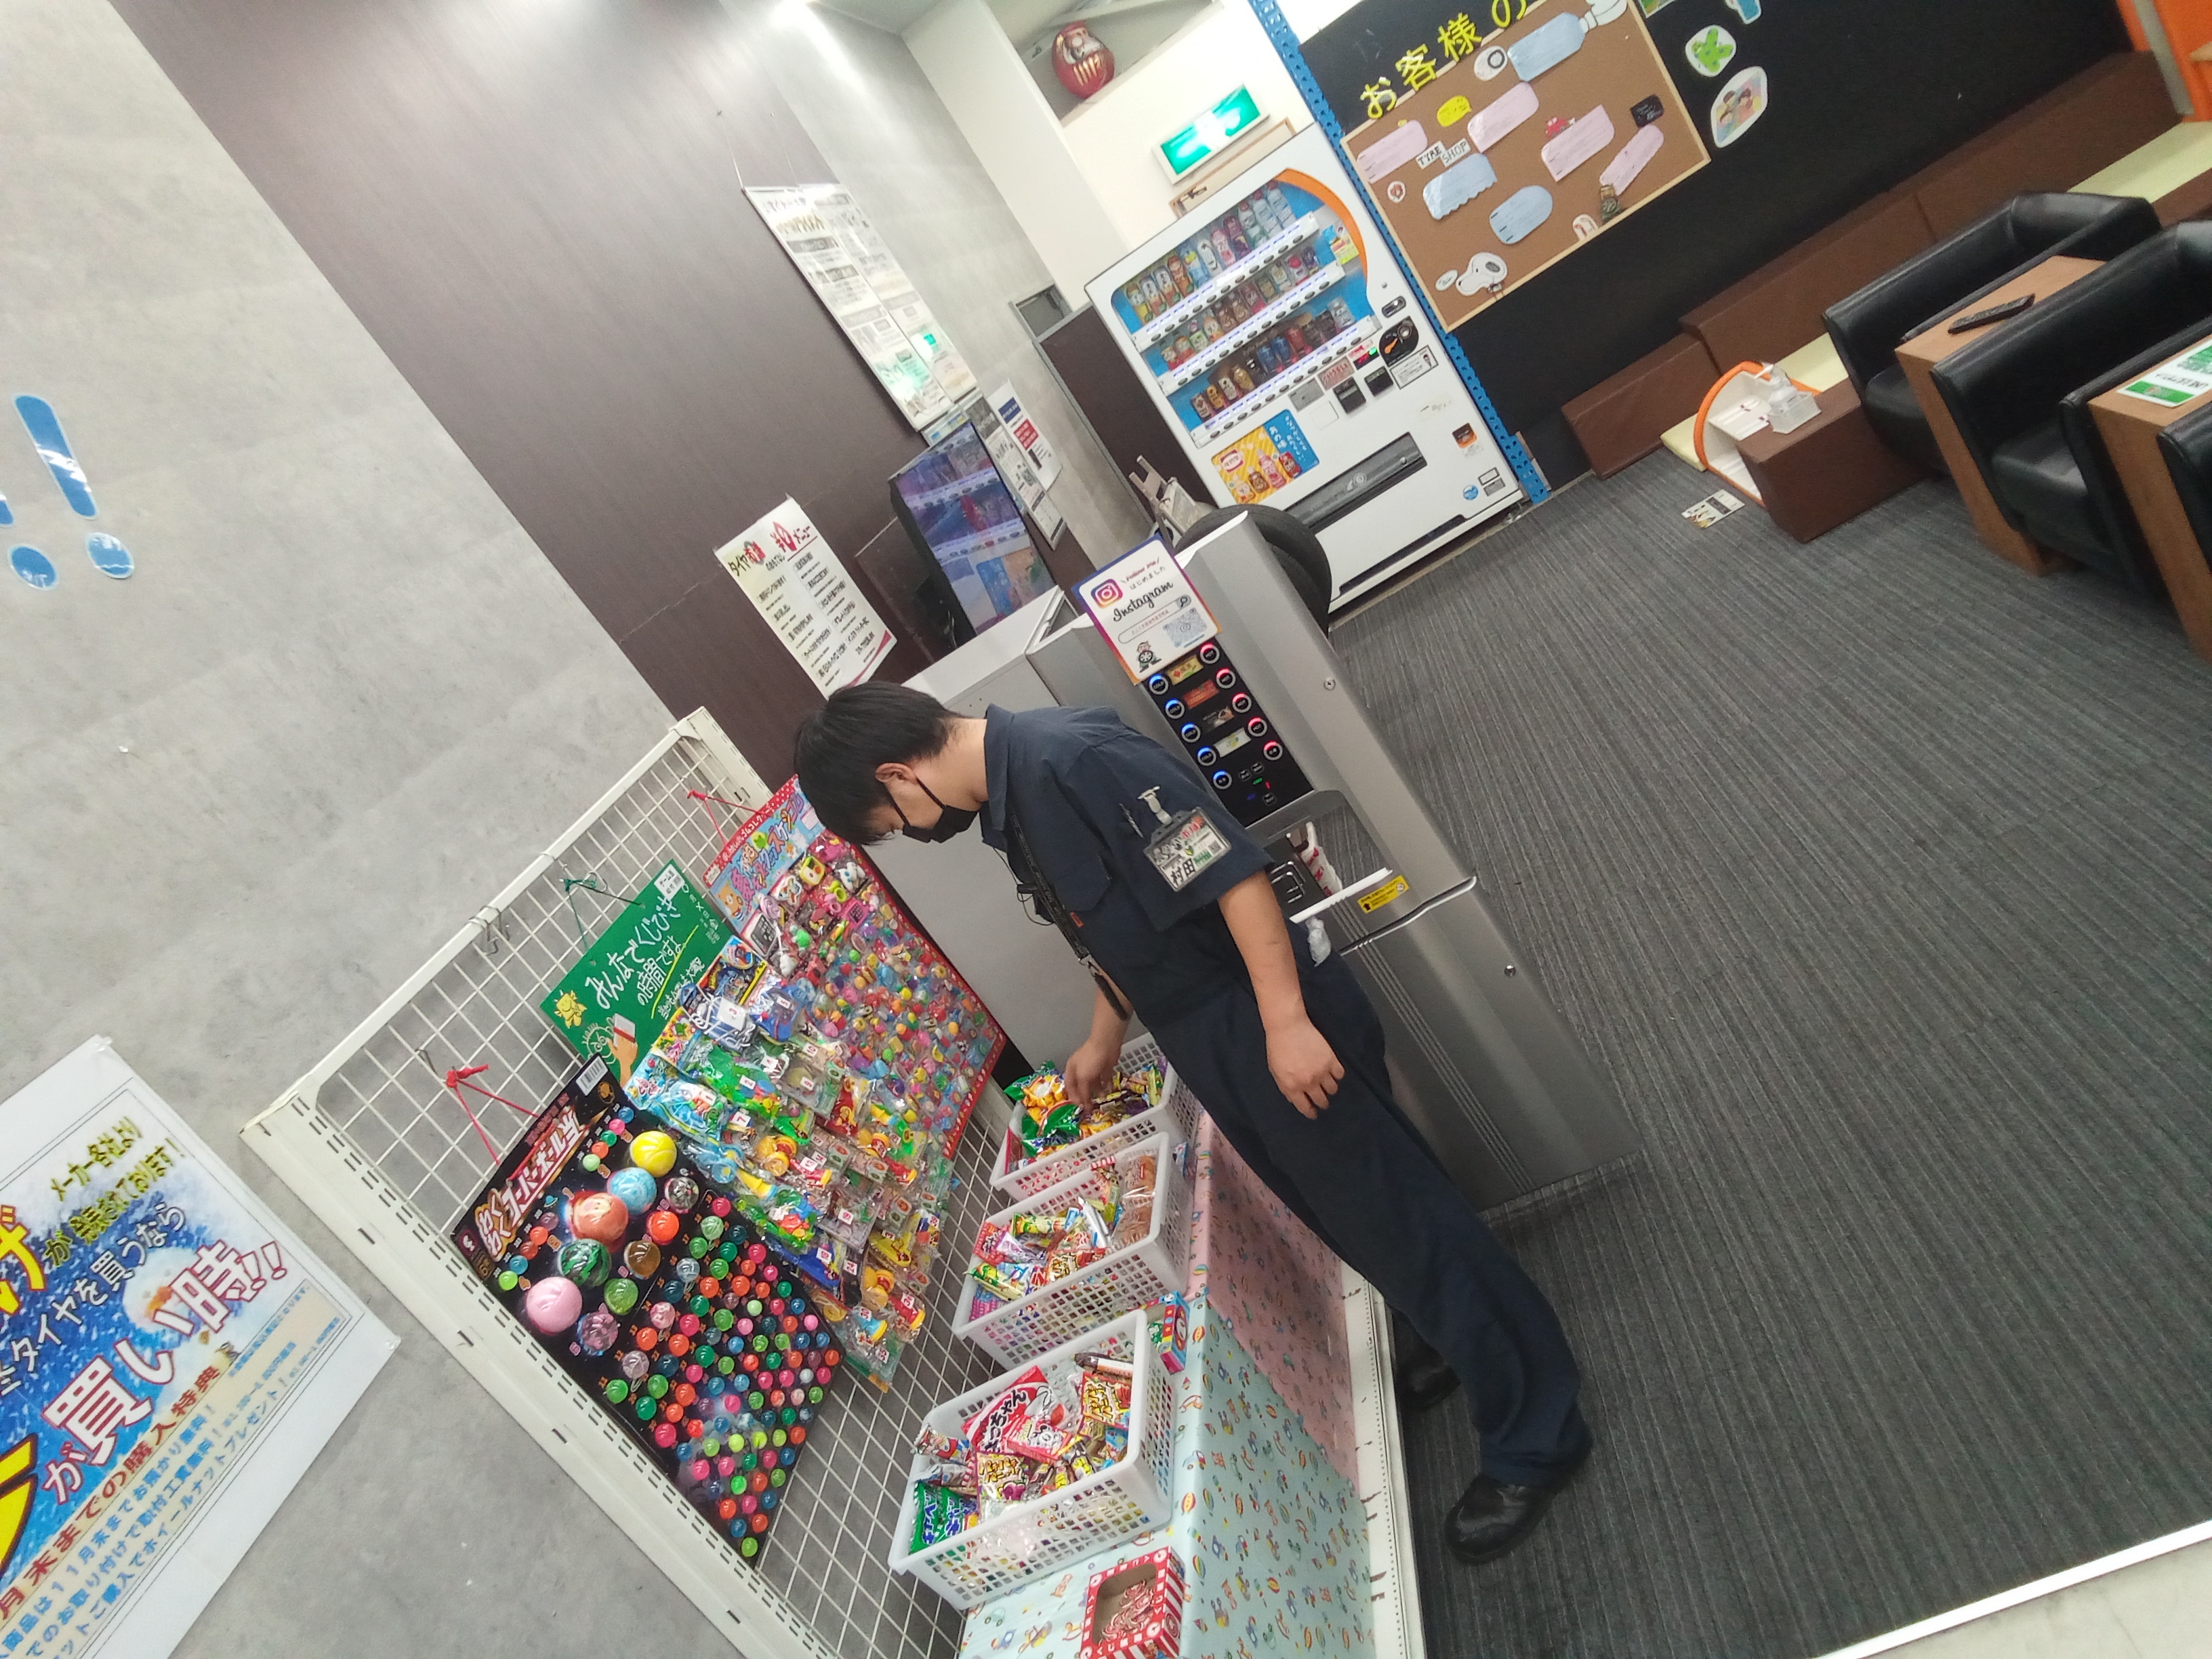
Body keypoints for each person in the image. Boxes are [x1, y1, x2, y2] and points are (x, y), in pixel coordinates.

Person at [794, 684, 1593, 1562]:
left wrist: (1285, 1023)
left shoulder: (1079, 762)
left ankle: (1537, 1434)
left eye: (891, 822)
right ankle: (1463, 1338)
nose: (909, 833)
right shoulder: (1012, 801)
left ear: (897, 774)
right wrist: (1104, 1036)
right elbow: (1114, 929)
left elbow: (1233, 876)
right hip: (1209, 1029)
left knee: (1400, 1216)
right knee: (1351, 1211)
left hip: (1260, 1008)